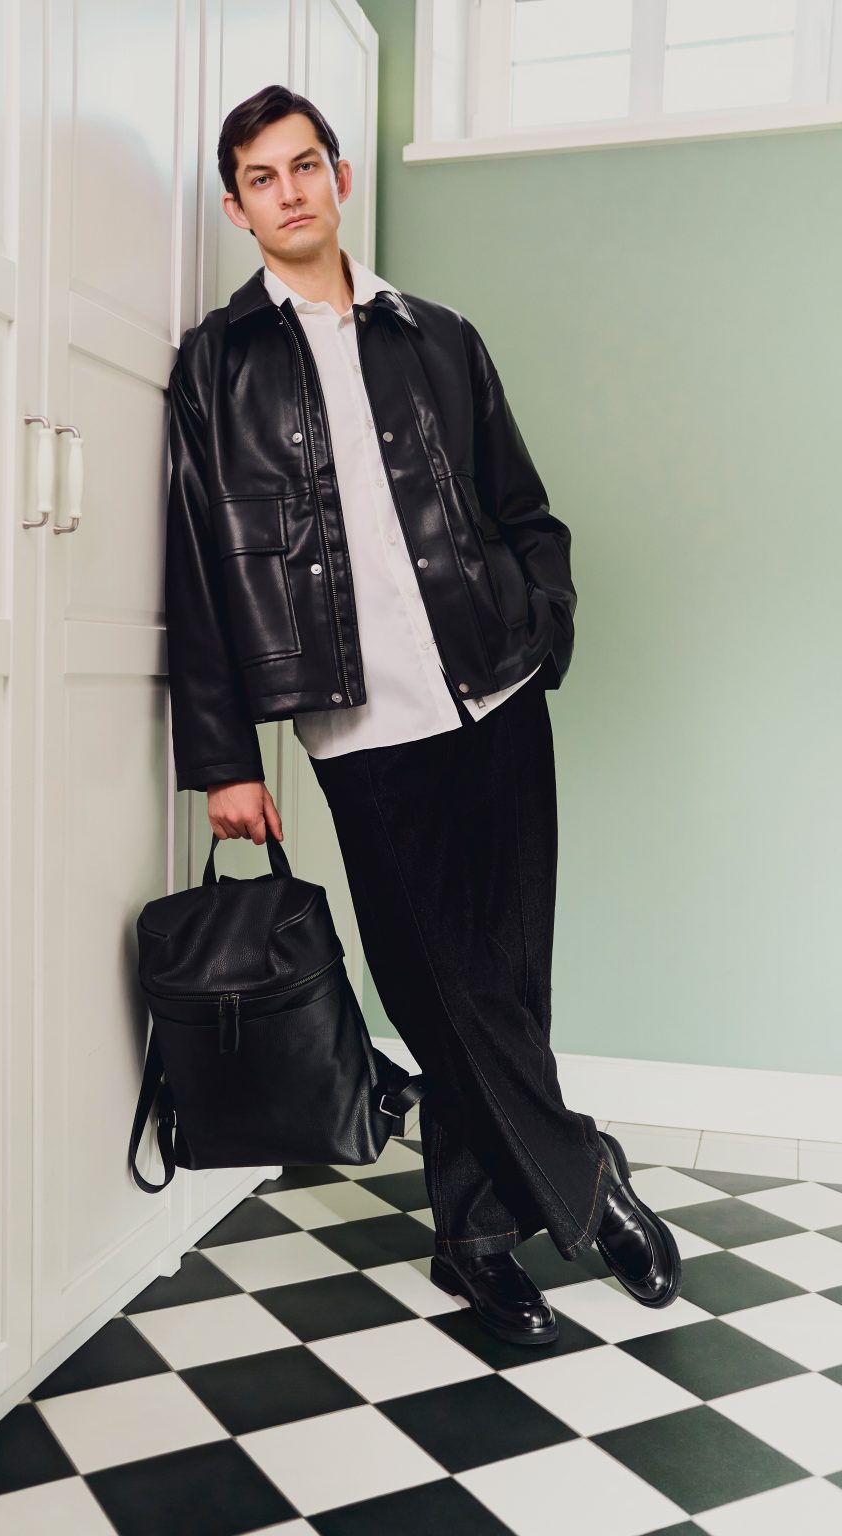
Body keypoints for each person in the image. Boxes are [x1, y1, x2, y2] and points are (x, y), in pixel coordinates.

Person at [164, 83, 681, 1346]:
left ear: (338, 177)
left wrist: (542, 623)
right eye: (261, 178)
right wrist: (224, 759)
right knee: (434, 985)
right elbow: (197, 572)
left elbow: (524, 510)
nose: (289, 191)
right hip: (359, 725)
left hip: (495, 692)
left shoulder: (438, 337)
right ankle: (584, 1174)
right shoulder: (217, 366)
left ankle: (474, 1241)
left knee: (505, 979)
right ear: (236, 210)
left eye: (304, 165)